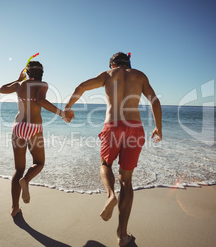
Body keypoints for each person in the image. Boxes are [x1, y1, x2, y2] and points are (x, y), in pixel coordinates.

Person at [64, 52, 162, 246]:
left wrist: (68, 107)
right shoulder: (140, 75)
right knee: (126, 180)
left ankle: (110, 196)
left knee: (105, 164)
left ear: (112, 64)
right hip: (134, 127)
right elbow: (155, 101)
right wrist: (158, 126)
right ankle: (122, 234)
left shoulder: (108, 75)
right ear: (129, 64)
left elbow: (81, 87)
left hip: (113, 126)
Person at [0, 61, 74, 217]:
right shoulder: (43, 84)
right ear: (41, 73)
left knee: (18, 169)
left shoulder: (19, 85)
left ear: (27, 72)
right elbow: (41, 101)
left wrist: (18, 79)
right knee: (39, 163)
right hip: (34, 128)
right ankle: (26, 180)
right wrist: (61, 114)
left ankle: (14, 208)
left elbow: (1, 89)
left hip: (18, 127)